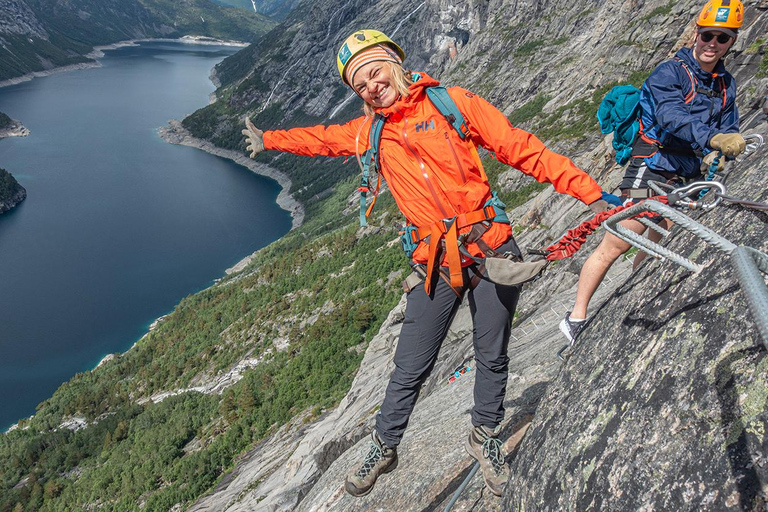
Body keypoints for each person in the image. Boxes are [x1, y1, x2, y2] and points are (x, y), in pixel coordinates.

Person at [242, 29, 608, 497]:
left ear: (394, 64)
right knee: (409, 364)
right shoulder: (369, 131)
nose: (370, 86)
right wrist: (270, 139)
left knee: (491, 352)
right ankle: (385, 445)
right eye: (359, 84)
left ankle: (485, 436)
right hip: (434, 258)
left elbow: (521, 148)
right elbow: (321, 139)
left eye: (374, 72)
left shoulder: (452, 103)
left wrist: (592, 193)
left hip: (491, 246)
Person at [560, 0, 748, 344]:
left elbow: (729, 125)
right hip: (651, 167)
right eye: (708, 35)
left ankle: (634, 296)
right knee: (619, 240)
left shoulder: (726, 84)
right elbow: (670, 116)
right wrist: (713, 139)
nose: (713, 44)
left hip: (687, 175)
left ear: (732, 42)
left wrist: (717, 151)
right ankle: (576, 317)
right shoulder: (671, 72)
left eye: (722, 38)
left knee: (658, 243)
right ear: (696, 33)